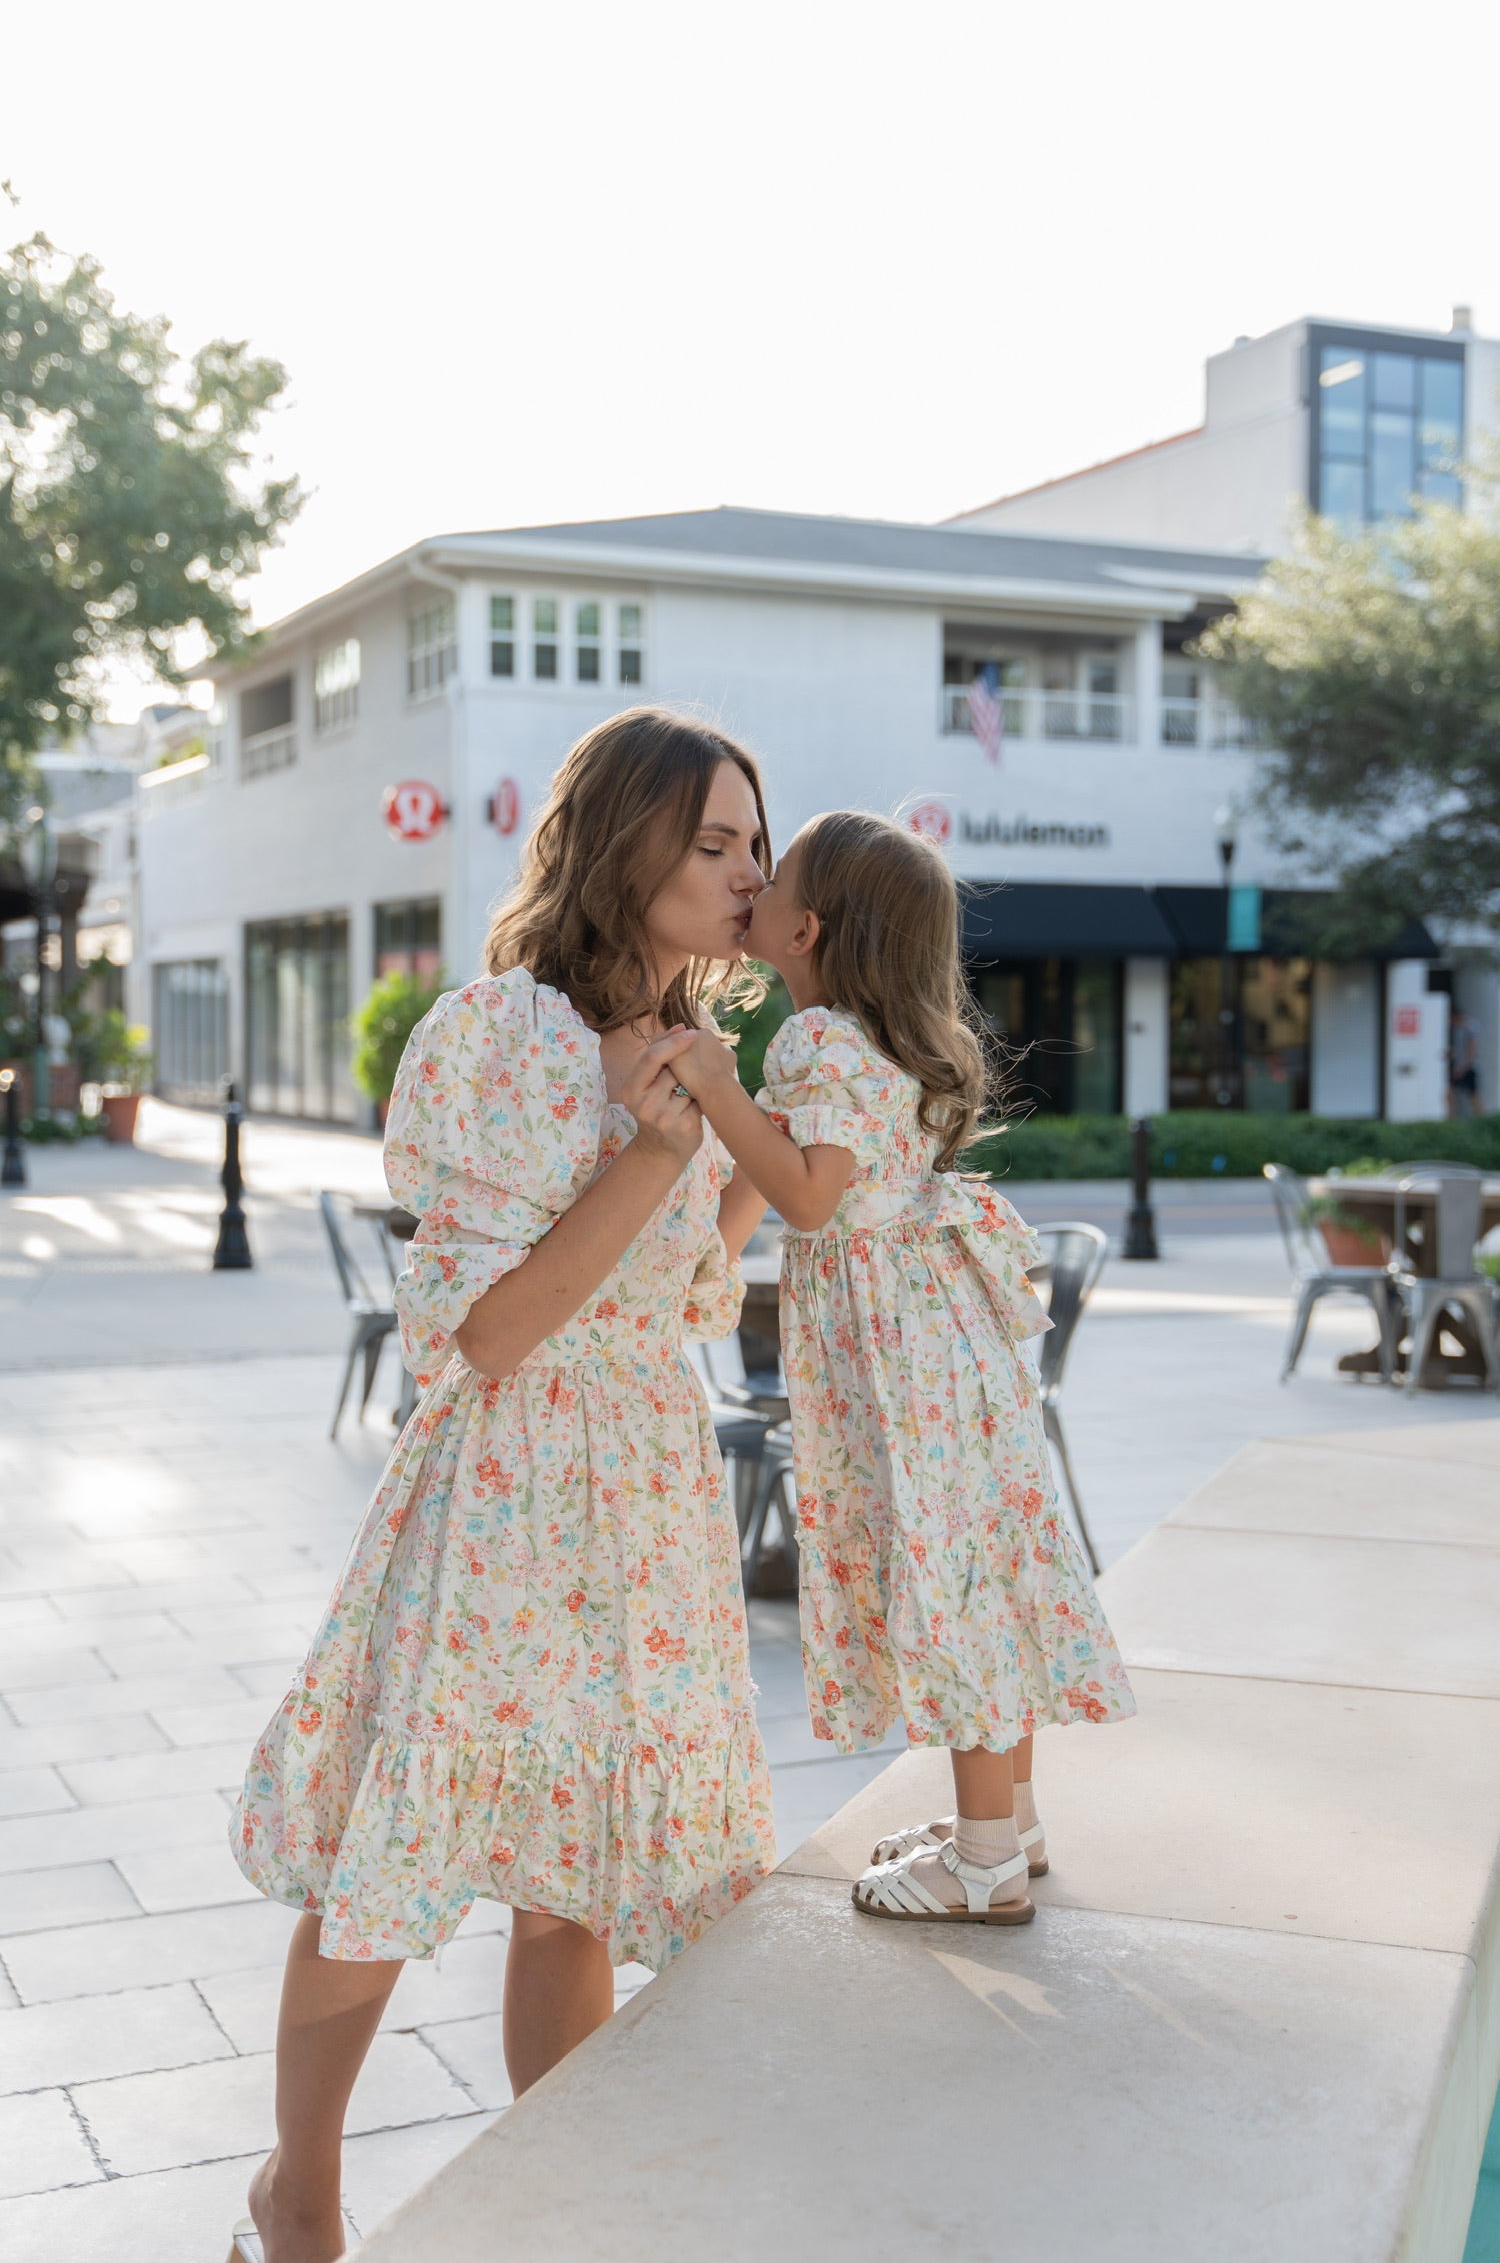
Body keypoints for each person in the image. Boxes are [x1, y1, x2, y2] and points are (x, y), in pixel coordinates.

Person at [228, 710, 777, 2263]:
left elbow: (674, 1302)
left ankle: (565, 2208)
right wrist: (656, 1161)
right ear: (626, 846)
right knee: (391, 1854)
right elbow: (489, 1328)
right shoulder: (498, 1037)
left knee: (578, 1880)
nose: (747, 873)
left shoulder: (693, 1057)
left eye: (754, 843)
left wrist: (758, 1153)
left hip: (649, 1490)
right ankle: (304, 2197)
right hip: (508, 1489)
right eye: (716, 842)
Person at [660, 809, 1134, 1928]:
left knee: (948, 1582)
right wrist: (699, 1273)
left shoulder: (815, 1040)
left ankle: (980, 1867)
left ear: (805, 930)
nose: (754, 887)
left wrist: (714, 1086)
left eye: (772, 880)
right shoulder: (880, 1042)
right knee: (981, 1568)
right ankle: (1006, 1826)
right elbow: (755, 1189)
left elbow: (809, 1193)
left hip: (899, 1368)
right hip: (945, 1354)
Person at [1449, 1005, 1483, 1117]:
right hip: (1460, 1065)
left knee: (1473, 1094)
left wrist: (1463, 1067)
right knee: (1450, 1092)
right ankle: (1452, 1118)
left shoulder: (1470, 1027)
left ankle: (1480, 1118)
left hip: (1467, 1066)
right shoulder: (1456, 1029)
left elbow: (1472, 1050)